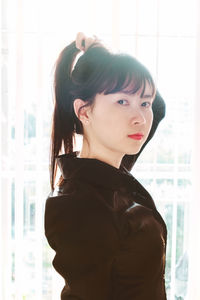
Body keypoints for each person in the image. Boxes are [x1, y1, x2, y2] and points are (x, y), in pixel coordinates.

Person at [44, 32, 167, 300]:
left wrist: (102, 56)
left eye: (143, 103)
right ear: (84, 111)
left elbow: (158, 107)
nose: (140, 118)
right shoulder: (79, 204)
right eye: (122, 101)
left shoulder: (112, 170)